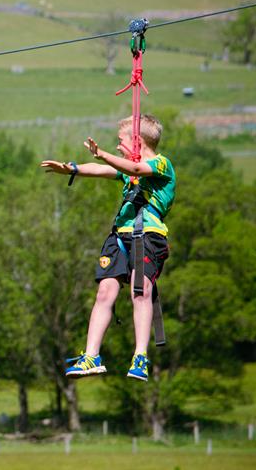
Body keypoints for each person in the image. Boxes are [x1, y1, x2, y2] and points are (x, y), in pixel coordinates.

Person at [40, 114, 176, 381]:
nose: (117, 147)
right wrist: (73, 169)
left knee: (141, 290)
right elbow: (104, 170)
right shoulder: (127, 171)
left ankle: (140, 356)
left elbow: (135, 170)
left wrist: (101, 153)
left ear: (136, 142)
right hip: (119, 238)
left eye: (120, 142)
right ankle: (91, 356)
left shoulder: (161, 165)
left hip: (148, 236)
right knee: (104, 292)